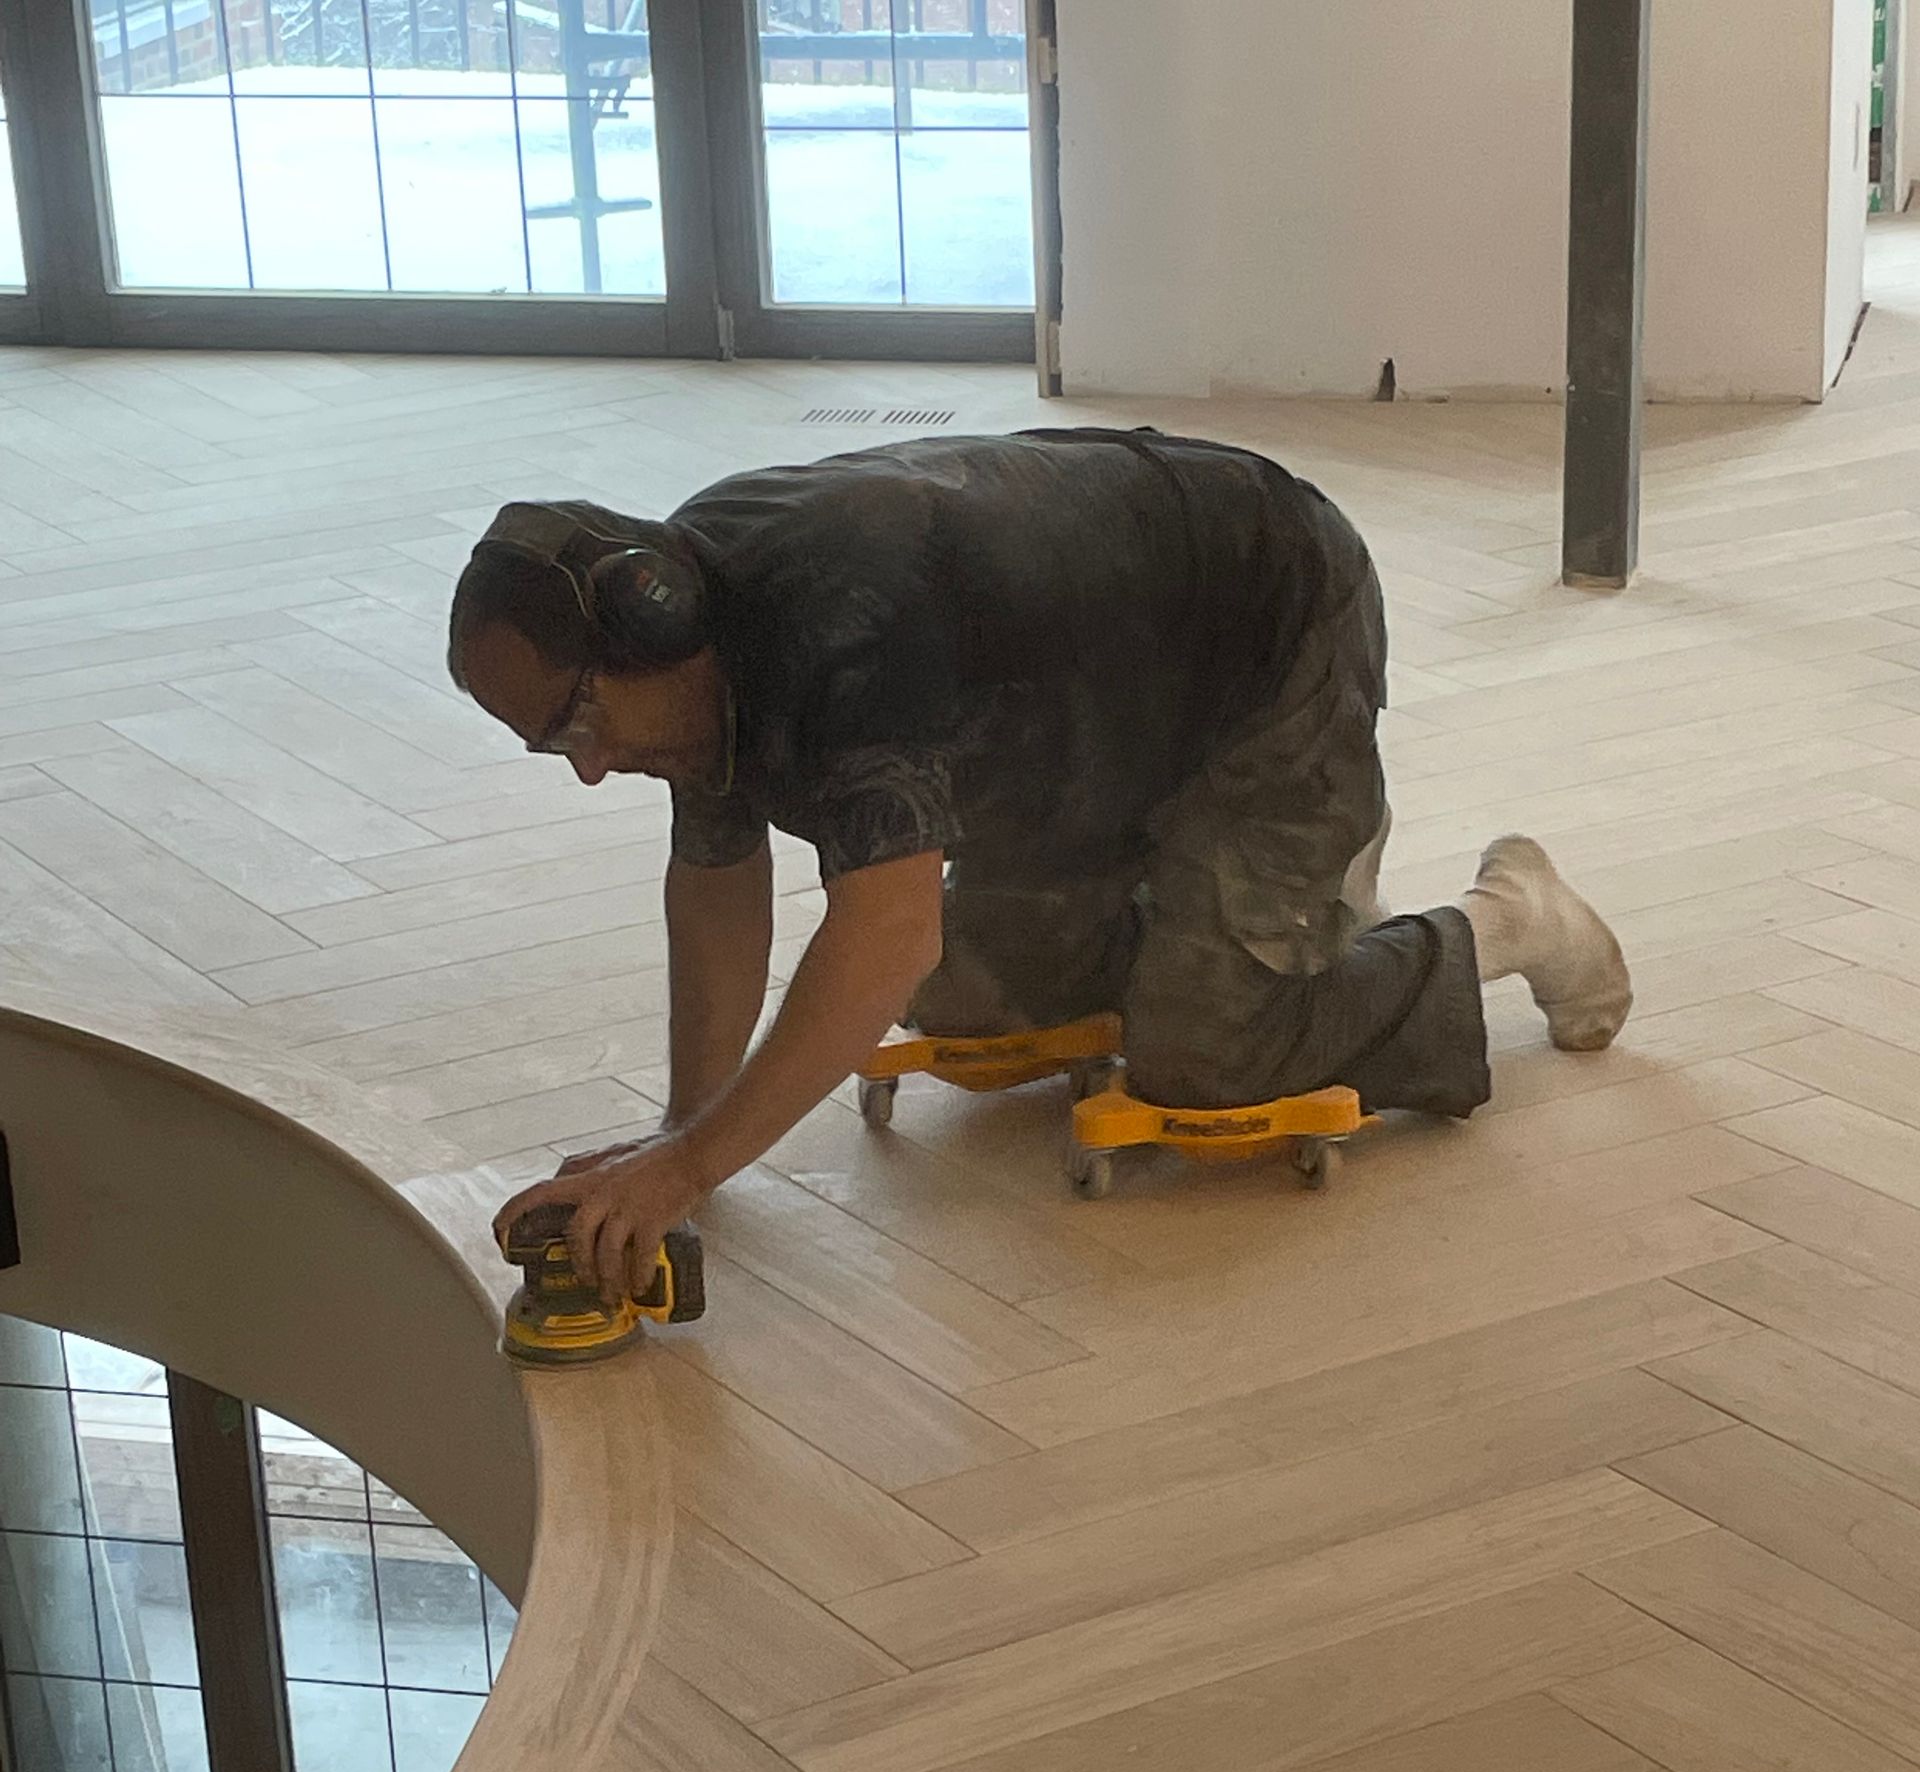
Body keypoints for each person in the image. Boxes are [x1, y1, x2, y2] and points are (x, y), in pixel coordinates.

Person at [447, 430, 1631, 1307]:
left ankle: (1501, 915)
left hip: (1261, 643)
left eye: (577, 723)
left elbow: (881, 931)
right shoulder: (691, 663)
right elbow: (717, 882)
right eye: (553, 749)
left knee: (1208, 1051)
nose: (590, 768)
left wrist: (690, 1165)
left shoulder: (838, 632)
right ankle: (1240, 916)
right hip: (1085, 726)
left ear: (648, 617)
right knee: (954, 988)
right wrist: (681, 1139)